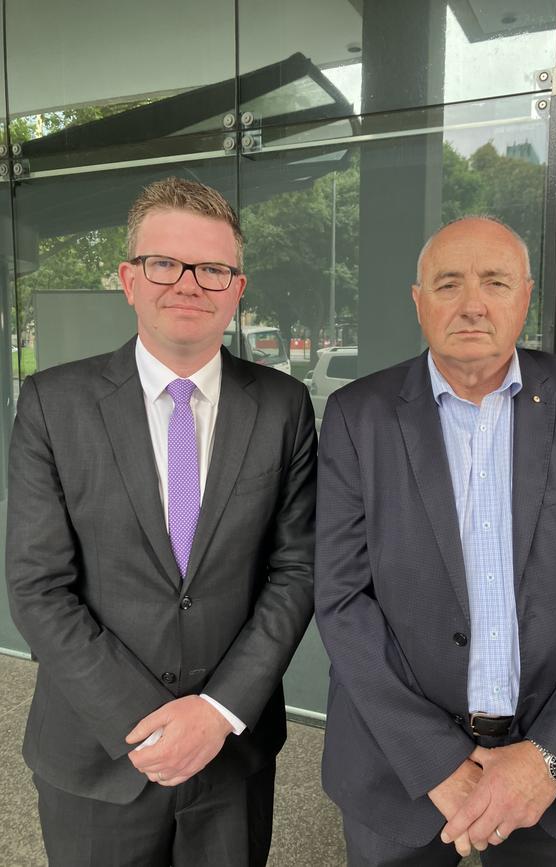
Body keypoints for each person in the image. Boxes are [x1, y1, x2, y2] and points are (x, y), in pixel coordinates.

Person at [315, 216, 556, 866]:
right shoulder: (359, 416)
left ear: (526, 295)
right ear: (418, 301)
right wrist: (434, 760)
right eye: (448, 284)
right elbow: (340, 598)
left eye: (494, 282)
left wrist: (549, 756)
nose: (472, 303)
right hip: (398, 769)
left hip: (555, 774)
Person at [6, 176, 317, 867]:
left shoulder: (284, 405)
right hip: (95, 757)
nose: (188, 283)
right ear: (129, 277)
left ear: (238, 285)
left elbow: (296, 570)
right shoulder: (54, 404)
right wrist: (141, 724)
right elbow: (37, 584)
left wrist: (218, 712)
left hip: (230, 754)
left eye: (212, 268)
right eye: (163, 263)